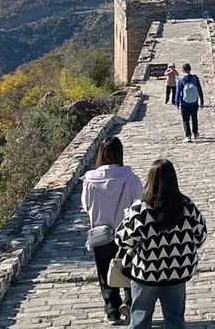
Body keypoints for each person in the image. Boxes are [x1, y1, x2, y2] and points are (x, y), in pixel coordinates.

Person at [116, 158, 207, 329]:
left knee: (140, 319)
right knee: (175, 320)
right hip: (178, 270)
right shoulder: (186, 206)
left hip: (146, 273)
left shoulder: (141, 209)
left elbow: (122, 240)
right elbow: (201, 235)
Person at [81, 136, 143, 325]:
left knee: (104, 274)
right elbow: (139, 202)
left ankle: (112, 311)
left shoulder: (89, 181)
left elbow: (86, 206)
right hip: (127, 234)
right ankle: (129, 303)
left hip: (101, 234)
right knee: (130, 271)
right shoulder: (130, 178)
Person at [176, 63, 204, 142]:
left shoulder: (181, 80)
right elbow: (199, 89)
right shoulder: (195, 78)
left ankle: (188, 136)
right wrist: (201, 101)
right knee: (194, 118)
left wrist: (177, 102)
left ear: (183, 70)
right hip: (194, 102)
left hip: (184, 103)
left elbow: (178, 92)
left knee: (186, 120)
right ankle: (195, 133)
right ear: (190, 69)